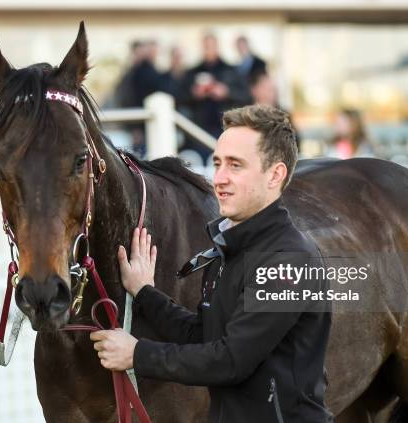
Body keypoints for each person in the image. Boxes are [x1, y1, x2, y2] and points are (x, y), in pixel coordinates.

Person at [91, 105, 333, 422]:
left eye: (235, 165)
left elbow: (230, 361)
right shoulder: (228, 249)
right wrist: (146, 292)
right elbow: (205, 337)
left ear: (275, 174)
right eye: (218, 163)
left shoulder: (288, 260)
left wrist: (136, 354)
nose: (219, 178)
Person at [179, 33, 252, 162]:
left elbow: (246, 96)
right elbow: (179, 99)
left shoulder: (231, 70)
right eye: (206, 46)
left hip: (225, 128)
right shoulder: (191, 72)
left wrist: (226, 92)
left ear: (217, 47)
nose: (209, 50)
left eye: (211, 46)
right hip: (198, 130)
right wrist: (194, 94)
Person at [249, 72, 301, 151]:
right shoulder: (246, 114)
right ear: (254, 90)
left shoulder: (284, 114)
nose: (270, 92)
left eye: (273, 89)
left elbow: (296, 140)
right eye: (265, 88)